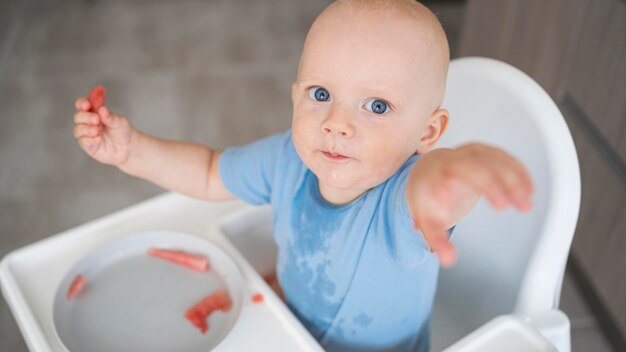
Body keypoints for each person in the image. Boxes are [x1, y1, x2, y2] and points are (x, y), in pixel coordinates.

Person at [72, 0, 534, 350]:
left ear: (427, 132)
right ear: (295, 96)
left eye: (376, 106)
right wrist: (133, 151)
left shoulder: (401, 202)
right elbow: (211, 172)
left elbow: (433, 189)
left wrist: (454, 171)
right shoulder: (287, 159)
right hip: (289, 329)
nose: (336, 122)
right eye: (320, 93)